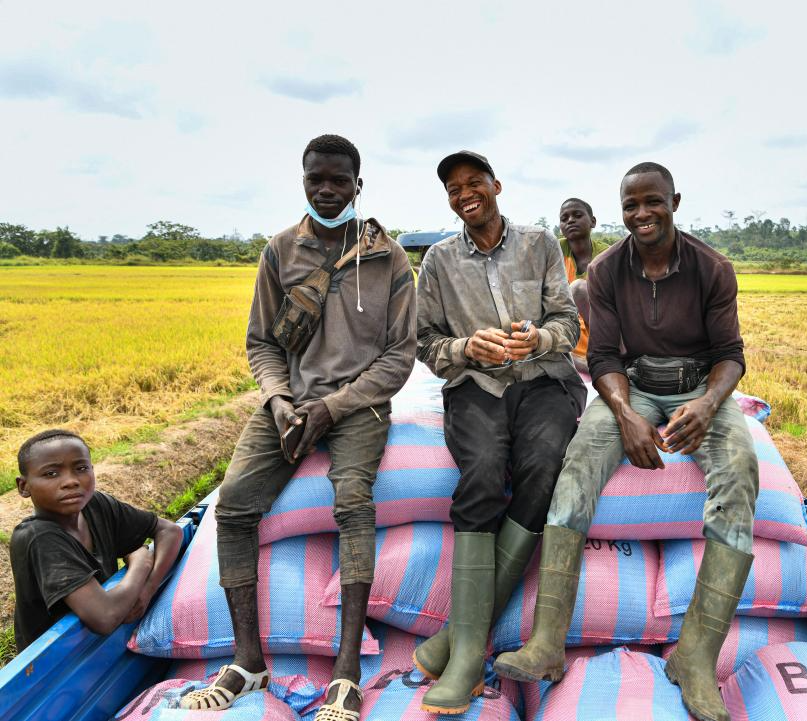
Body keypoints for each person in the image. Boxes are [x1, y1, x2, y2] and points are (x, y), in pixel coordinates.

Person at [494, 162, 758, 721]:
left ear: (674, 202)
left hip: (699, 390)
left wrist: (708, 406)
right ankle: (546, 645)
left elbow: (731, 355)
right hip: (631, 386)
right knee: (576, 467)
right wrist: (623, 412)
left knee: (739, 474)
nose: (641, 215)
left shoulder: (713, 269)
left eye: (652, 203)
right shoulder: (608, 272)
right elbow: (607, 357)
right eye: (631, 205)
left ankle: (694, 659)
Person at [181, 134, 417, 719]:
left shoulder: (388, 259)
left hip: (358, 407)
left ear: (358, 185)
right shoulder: (280, 251)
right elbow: (262, 342)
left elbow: (399, 356)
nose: (328, 191)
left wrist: (333, 408)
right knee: (233, 506)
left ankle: (346, 671)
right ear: (303, 181)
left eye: (340, 181)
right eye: (317, 180)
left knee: (353, 503)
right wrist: (280, 400)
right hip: (287, 405)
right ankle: (247, 660)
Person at [414, 150, 586, 714]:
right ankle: (467, 652)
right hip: (476, 387)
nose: (464, 194)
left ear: (496, 186)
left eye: (473, 183)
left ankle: (461, 642)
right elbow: (425, 343)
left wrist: (537, 339)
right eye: (454, 188)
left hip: (544, 382)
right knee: (483, 471)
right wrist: (467, 347)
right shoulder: (437, 261)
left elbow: (568, 322)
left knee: (543, 466)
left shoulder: (538, 244)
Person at [11, 429, 182, 651]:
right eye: (51, 474)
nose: (71, 481)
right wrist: (142, 564)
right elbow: (105, 617)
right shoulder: (40, 537)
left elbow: (170, 531)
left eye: (81, 468)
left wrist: (147, 589)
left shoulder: (95, 505)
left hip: (101, 648)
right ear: (24, 486)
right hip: (57, 661)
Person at [558, 198, 610, 372]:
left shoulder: (608, 256)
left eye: (577, 215)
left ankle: (599, 362)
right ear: (560, 227)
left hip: (599, 328)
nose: (570, 220)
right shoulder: (554, 251)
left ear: (593, 222)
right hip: (567, 326)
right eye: (564, 218)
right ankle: (580, 362)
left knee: (579, 289)